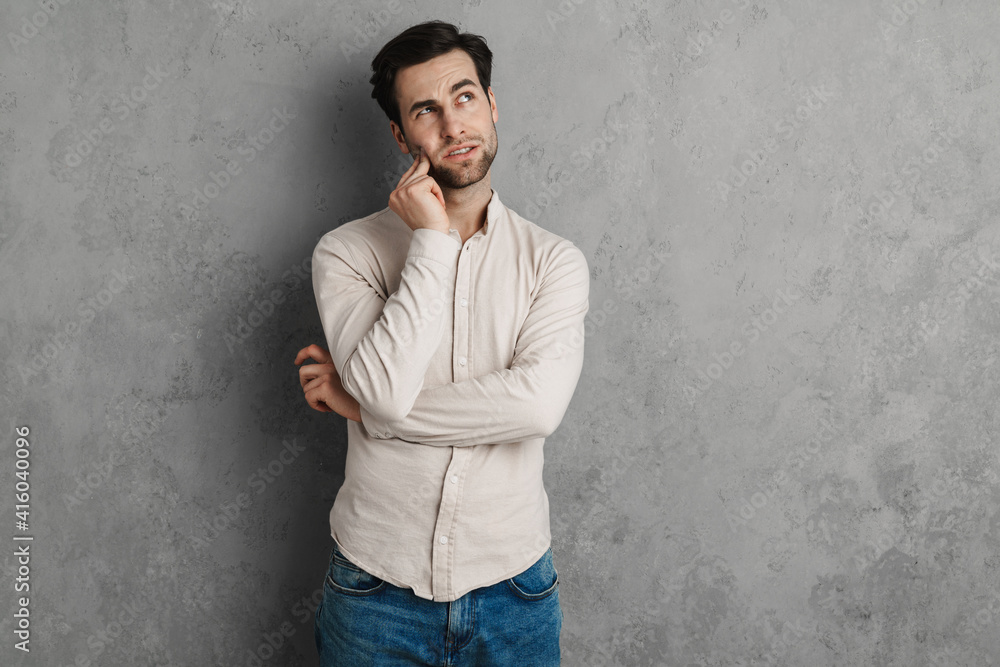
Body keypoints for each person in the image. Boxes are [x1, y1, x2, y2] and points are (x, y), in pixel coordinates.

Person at [294, 19, 589, 666]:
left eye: (464, 97)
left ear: (491, 105)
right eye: (426, 110)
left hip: (514, 591)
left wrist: (364, 408)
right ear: (401, 136)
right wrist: (430, 241)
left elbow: (536, 407)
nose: (453, 126)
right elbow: (387, 391)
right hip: (374, 591)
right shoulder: (346, 253)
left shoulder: (553, 261)